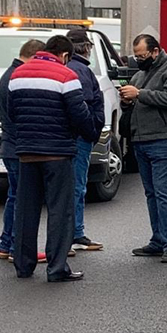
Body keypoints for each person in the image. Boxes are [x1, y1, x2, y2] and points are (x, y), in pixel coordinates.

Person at [7, 35, 98, 283]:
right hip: (58, 153)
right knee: (60, 210)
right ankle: (57, 268)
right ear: (65, 55)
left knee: (26, 210)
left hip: (26, 153)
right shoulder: (66, 76)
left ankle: (24, 266)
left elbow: (12, 111)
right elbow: (79, 114)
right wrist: (90, 134)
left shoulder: (18, 75)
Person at [119, 33, 167, 264]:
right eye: (136, 56)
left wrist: (139, 94)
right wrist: (127, 100)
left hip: (166, 138)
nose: (139, 60)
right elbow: (140, 100)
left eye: (143, 55)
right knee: (151, 193)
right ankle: (158, 240)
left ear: (156, 51)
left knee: (163, 192)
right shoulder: (141, 74)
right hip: (142, 139)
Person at [0, 38, 46, 262]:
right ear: (35, 56)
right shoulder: (17, 78)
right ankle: (17, 247)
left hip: (10, 144)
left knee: (14, 197)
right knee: (23, 199)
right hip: (19, 146)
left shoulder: (9, 75)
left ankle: (7, 244)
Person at [65, 28, 106, 252]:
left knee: (74, 187)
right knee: (76, 187)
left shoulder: (74, 68)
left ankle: (76, 233)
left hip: (75, 137)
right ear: (86, 48)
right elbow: (82, 105)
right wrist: (91, 131)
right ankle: (72, 235)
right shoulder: (80, 70)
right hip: (79, 138)